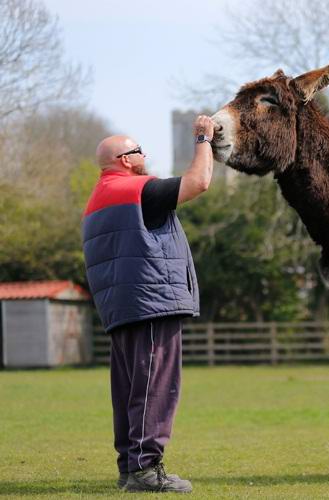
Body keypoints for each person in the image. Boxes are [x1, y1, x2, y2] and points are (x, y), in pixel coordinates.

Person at [82, 116, 215, 493]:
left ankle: (130, 468)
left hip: (121, 307)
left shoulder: (97, 199)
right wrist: (202, 139)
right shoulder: (138, 189)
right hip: (151, 301)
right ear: (125, 159)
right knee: (156, 386)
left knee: (128, 390)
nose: (145, 155)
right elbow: (199, 182)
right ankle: (145, 469)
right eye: (138, 150)